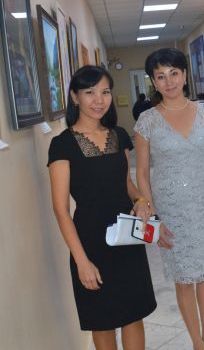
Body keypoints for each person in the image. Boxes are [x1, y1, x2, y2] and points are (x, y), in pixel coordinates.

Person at [47, 66, 156, 350]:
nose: (99, 100)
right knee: (102, 320)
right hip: (91, 242)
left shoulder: (119, 135)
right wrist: (81, 261)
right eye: (90, 92)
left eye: (105, 92)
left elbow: (127, 184)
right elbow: (60, 209)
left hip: (126, 237)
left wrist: (141, 202)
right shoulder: (62, 144)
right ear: (75, 97)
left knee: (133, 315)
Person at [134, 48, 204, 350]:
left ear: (185, 75)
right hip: (171, 210)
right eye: (160, 76)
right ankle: (196, 341)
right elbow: (142, 173)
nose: (169, 81)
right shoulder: (147, 121)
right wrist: (154, 218)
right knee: (184, 277)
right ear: (153, 82)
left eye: (174, 73)